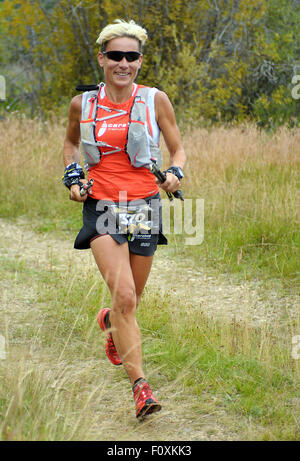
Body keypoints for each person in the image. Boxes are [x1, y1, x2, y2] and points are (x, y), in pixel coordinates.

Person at [62, 19, 186, 419]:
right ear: (101, 58)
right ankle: (141, 389)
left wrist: (174, 174)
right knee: (127, 297)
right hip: (101, 206)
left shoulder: (155, 100)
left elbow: (178, 150)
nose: (123, 63)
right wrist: (73, 177)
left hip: (145, 205)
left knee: (130, 299)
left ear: (139, 61)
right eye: (115, 55)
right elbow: (69, 145)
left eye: (131, 56)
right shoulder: (84, 104)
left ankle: (110, 321)